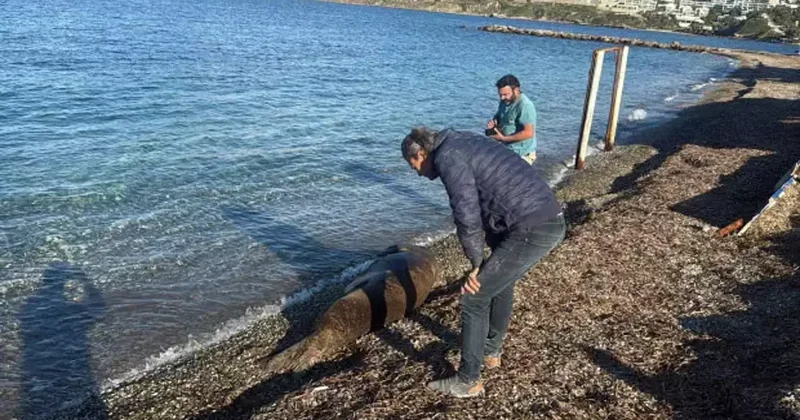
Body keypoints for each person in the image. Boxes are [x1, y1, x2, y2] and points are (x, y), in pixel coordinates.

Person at [401, 126, 565, 398]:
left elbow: (466, 212)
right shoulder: (460, 141)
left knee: (473, 297)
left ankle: (468, 380)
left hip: (533, 226)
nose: (415, 172)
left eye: (413, 164)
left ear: (422, 153)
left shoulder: (448, 157)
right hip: (543, 216)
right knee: (499, 283)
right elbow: (486, 194)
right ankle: (490, 351)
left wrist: (476, 262)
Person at [486, 74, 538, 164]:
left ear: (516, 90)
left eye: (505, 94)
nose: (502, 98)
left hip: (523, 153)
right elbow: (500, 116)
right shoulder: (505, 101)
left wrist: (503, 138)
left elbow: (528, 133)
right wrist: (494, 125)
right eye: (500, 94)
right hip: (507, 149)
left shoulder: (525, 106)